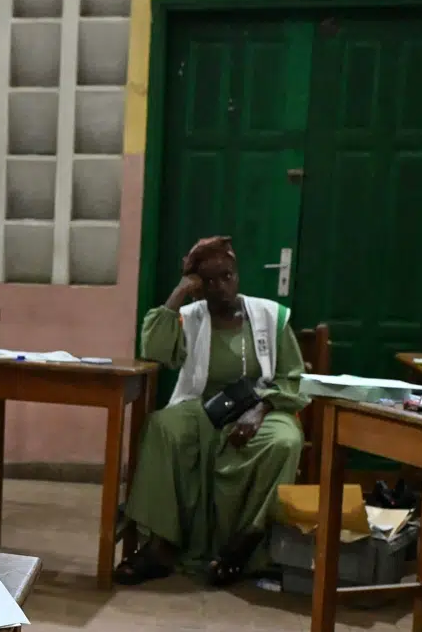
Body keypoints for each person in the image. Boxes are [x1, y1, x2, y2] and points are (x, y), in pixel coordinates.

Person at [114, 236, 307, 588]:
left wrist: (262, 409)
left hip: (264, 405)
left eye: (228, 276)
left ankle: (245, 544)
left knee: (284, 442)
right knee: (163, 426)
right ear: (198, 286)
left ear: (237, 275)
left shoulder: (269, 316)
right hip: (205, 406)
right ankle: (160, 546)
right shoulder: (190, 317)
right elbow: (155, 350)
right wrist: (179, 293)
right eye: (210, 280)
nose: (221, 286)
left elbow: (292, 378)